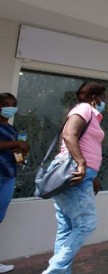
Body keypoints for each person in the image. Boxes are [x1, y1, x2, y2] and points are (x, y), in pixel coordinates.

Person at [43, 82, 106, 274]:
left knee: (67, 226)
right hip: (76, 173)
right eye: (104, 98)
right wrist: (82, 163)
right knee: (87, 223)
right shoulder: (84, 108)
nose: (105, 102)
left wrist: (93, 174)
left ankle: (60, 271)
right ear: (95, 97)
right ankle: (54, 270)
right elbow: (69, 134)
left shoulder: (90, 114)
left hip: (81, 173)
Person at [0, 93, 30, 273]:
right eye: (5, 104)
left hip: (9, 176)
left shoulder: (12, 129)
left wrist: (22, 153)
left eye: (13, 104)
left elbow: (17, 156)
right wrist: (16, 143)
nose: (10, 107)